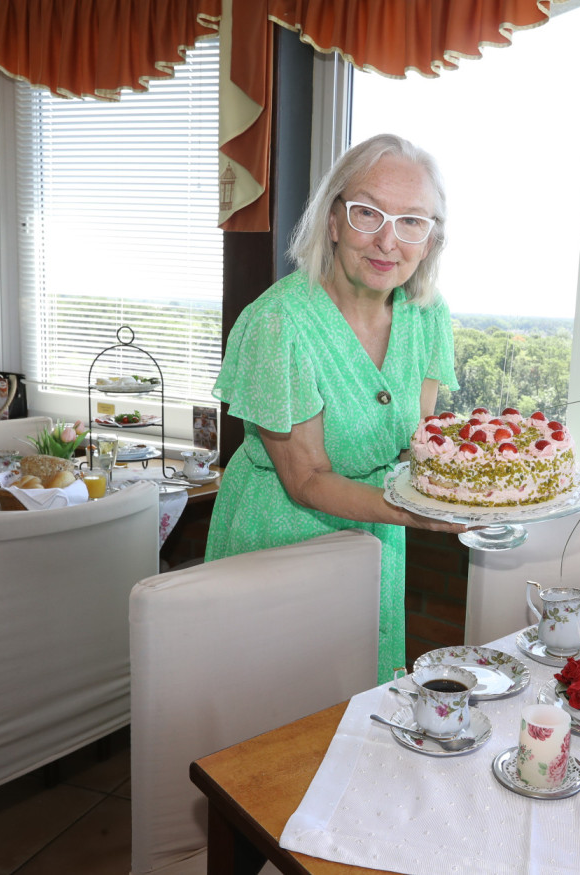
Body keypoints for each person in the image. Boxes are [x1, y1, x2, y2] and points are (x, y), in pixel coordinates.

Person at [206, 134, 465, 682]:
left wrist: (472, 489)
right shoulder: (279, 322)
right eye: (367, 213)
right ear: (332, 220)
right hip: (279, 543)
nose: (386, 241)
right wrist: (420, 512)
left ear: (431, 239)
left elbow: (412, 447)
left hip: (375, 541)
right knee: (273, 723)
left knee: (357, 712)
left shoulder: (426, 315)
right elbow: (306, 480)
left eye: (411, 221)